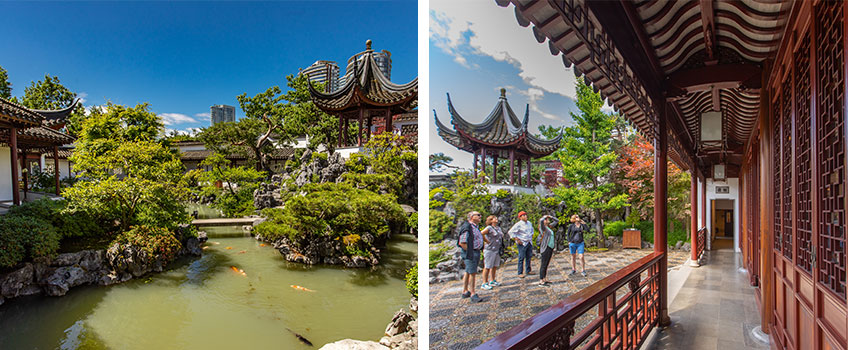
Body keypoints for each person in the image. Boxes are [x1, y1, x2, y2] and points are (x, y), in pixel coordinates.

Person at [458, 211, 484, 302]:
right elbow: (462, 242)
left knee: (468, 271)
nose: (480, 216)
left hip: (474, 251)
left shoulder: (474, 227)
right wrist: (470, 253)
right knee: (472, 273)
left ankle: (465, 291)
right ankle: (473, 293)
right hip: (471, 252)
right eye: (478, 215)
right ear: (472, 217)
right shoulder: (467, 227)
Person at [508, 211, 535, 278]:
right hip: (522, 242)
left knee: (529, 256)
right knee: (521, 257)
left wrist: (531, 236)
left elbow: (532, 231)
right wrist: (517, 239)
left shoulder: (529, 223)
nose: (525, 216)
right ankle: (520, 272)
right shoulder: (518, 224)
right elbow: (511, 232)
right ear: (520, 217)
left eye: (526, 215)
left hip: (528, 241)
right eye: (523, 215)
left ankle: (528, 270)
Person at [480, 215, 504, 290]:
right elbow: (481, 233)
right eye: (494, 218)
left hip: (497, 249)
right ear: (490, 220)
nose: (496, 219)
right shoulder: (489, 228)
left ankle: (492, 280)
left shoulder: (498, 228)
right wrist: (486, 241)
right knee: (487, 266)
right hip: (490, 249)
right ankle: (484, 282)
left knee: (494, 266)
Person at [537, 214, 559, 285]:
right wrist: (544, 217)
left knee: (547, 263)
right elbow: (540, 221)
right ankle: (541, 279)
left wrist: (551, 216)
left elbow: (557, 221)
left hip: (550, 247)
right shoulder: (543, 228)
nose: (548, 220)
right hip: (545, 247)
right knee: (543, 264)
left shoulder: (549, 227)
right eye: (547, 219)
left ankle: (544, 278)